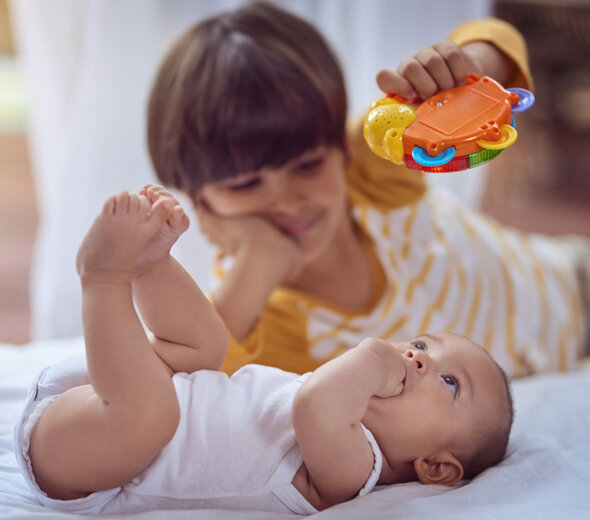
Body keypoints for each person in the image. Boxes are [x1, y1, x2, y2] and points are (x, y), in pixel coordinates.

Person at [147, 1, 590, 378]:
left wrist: (470, 69)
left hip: (572, 281)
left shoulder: (373, 161)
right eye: (245, 184)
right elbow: (193, 379)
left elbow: (497, 35)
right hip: (552, 369)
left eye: (307, 165)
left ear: (341, 148)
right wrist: (261, 258)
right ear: (200, 200)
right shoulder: (254, 309)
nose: (286, 199)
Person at [15, 186, 513, 515]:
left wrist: (375, 357)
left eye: (449, 383)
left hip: (91, 463)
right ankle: (151, 265)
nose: (419, 358)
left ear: (435, 467)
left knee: (152, 416)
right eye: (423, 344)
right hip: (123, 395)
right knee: (208, 346)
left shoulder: (356, 473)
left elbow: (316, 402)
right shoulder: (352, 415)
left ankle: (104, 278)